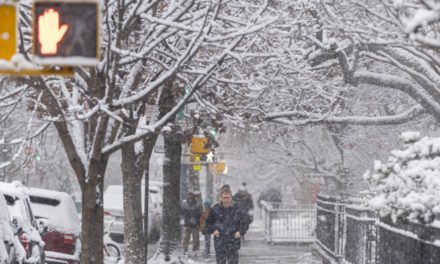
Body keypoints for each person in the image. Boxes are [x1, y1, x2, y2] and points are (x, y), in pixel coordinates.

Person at [206, 185, 249, 264]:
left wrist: (240, 232)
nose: (226, 200)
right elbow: (208, 222)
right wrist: (213, 230)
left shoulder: (238, 209)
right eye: (224, 197)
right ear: (220, 198)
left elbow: (245, 222)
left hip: (233, 240)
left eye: (227, 197)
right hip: (220, 240)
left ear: (231, 197)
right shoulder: (215, 209)